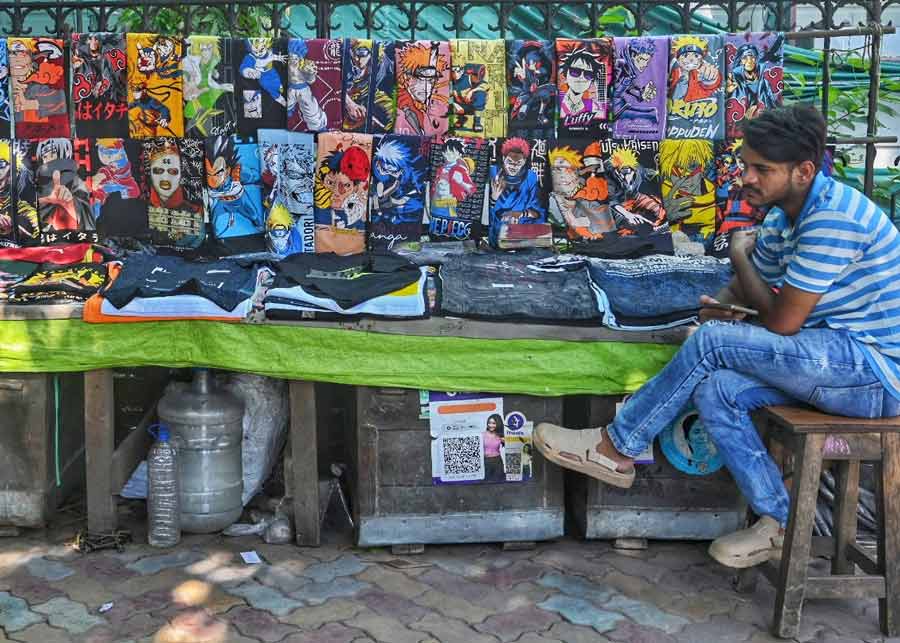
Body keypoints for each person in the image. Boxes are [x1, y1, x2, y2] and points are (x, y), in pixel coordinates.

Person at [535, 104, 900, 569]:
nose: (746, 177)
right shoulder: (783, 216)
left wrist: (739, 262)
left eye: (761, 169)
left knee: (715, 344)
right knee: (716, 389)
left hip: (873, 374)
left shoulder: (832, 217)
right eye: (746, 164)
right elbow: (738, 294)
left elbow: (783, 322)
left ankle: (615, 448)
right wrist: (715, 310)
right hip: (830, 360)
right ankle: (782, 522)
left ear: (804, 171)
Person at [483, 414, 505, 482]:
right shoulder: (482, 435)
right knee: (486, 482)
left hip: (497, 461)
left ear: (498, 424)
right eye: (489, 423)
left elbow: (511, 448)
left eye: (493, 423)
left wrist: (505, 441)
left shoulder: (501, 436)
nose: (491, 425)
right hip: (485, 461)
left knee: (498, 481)